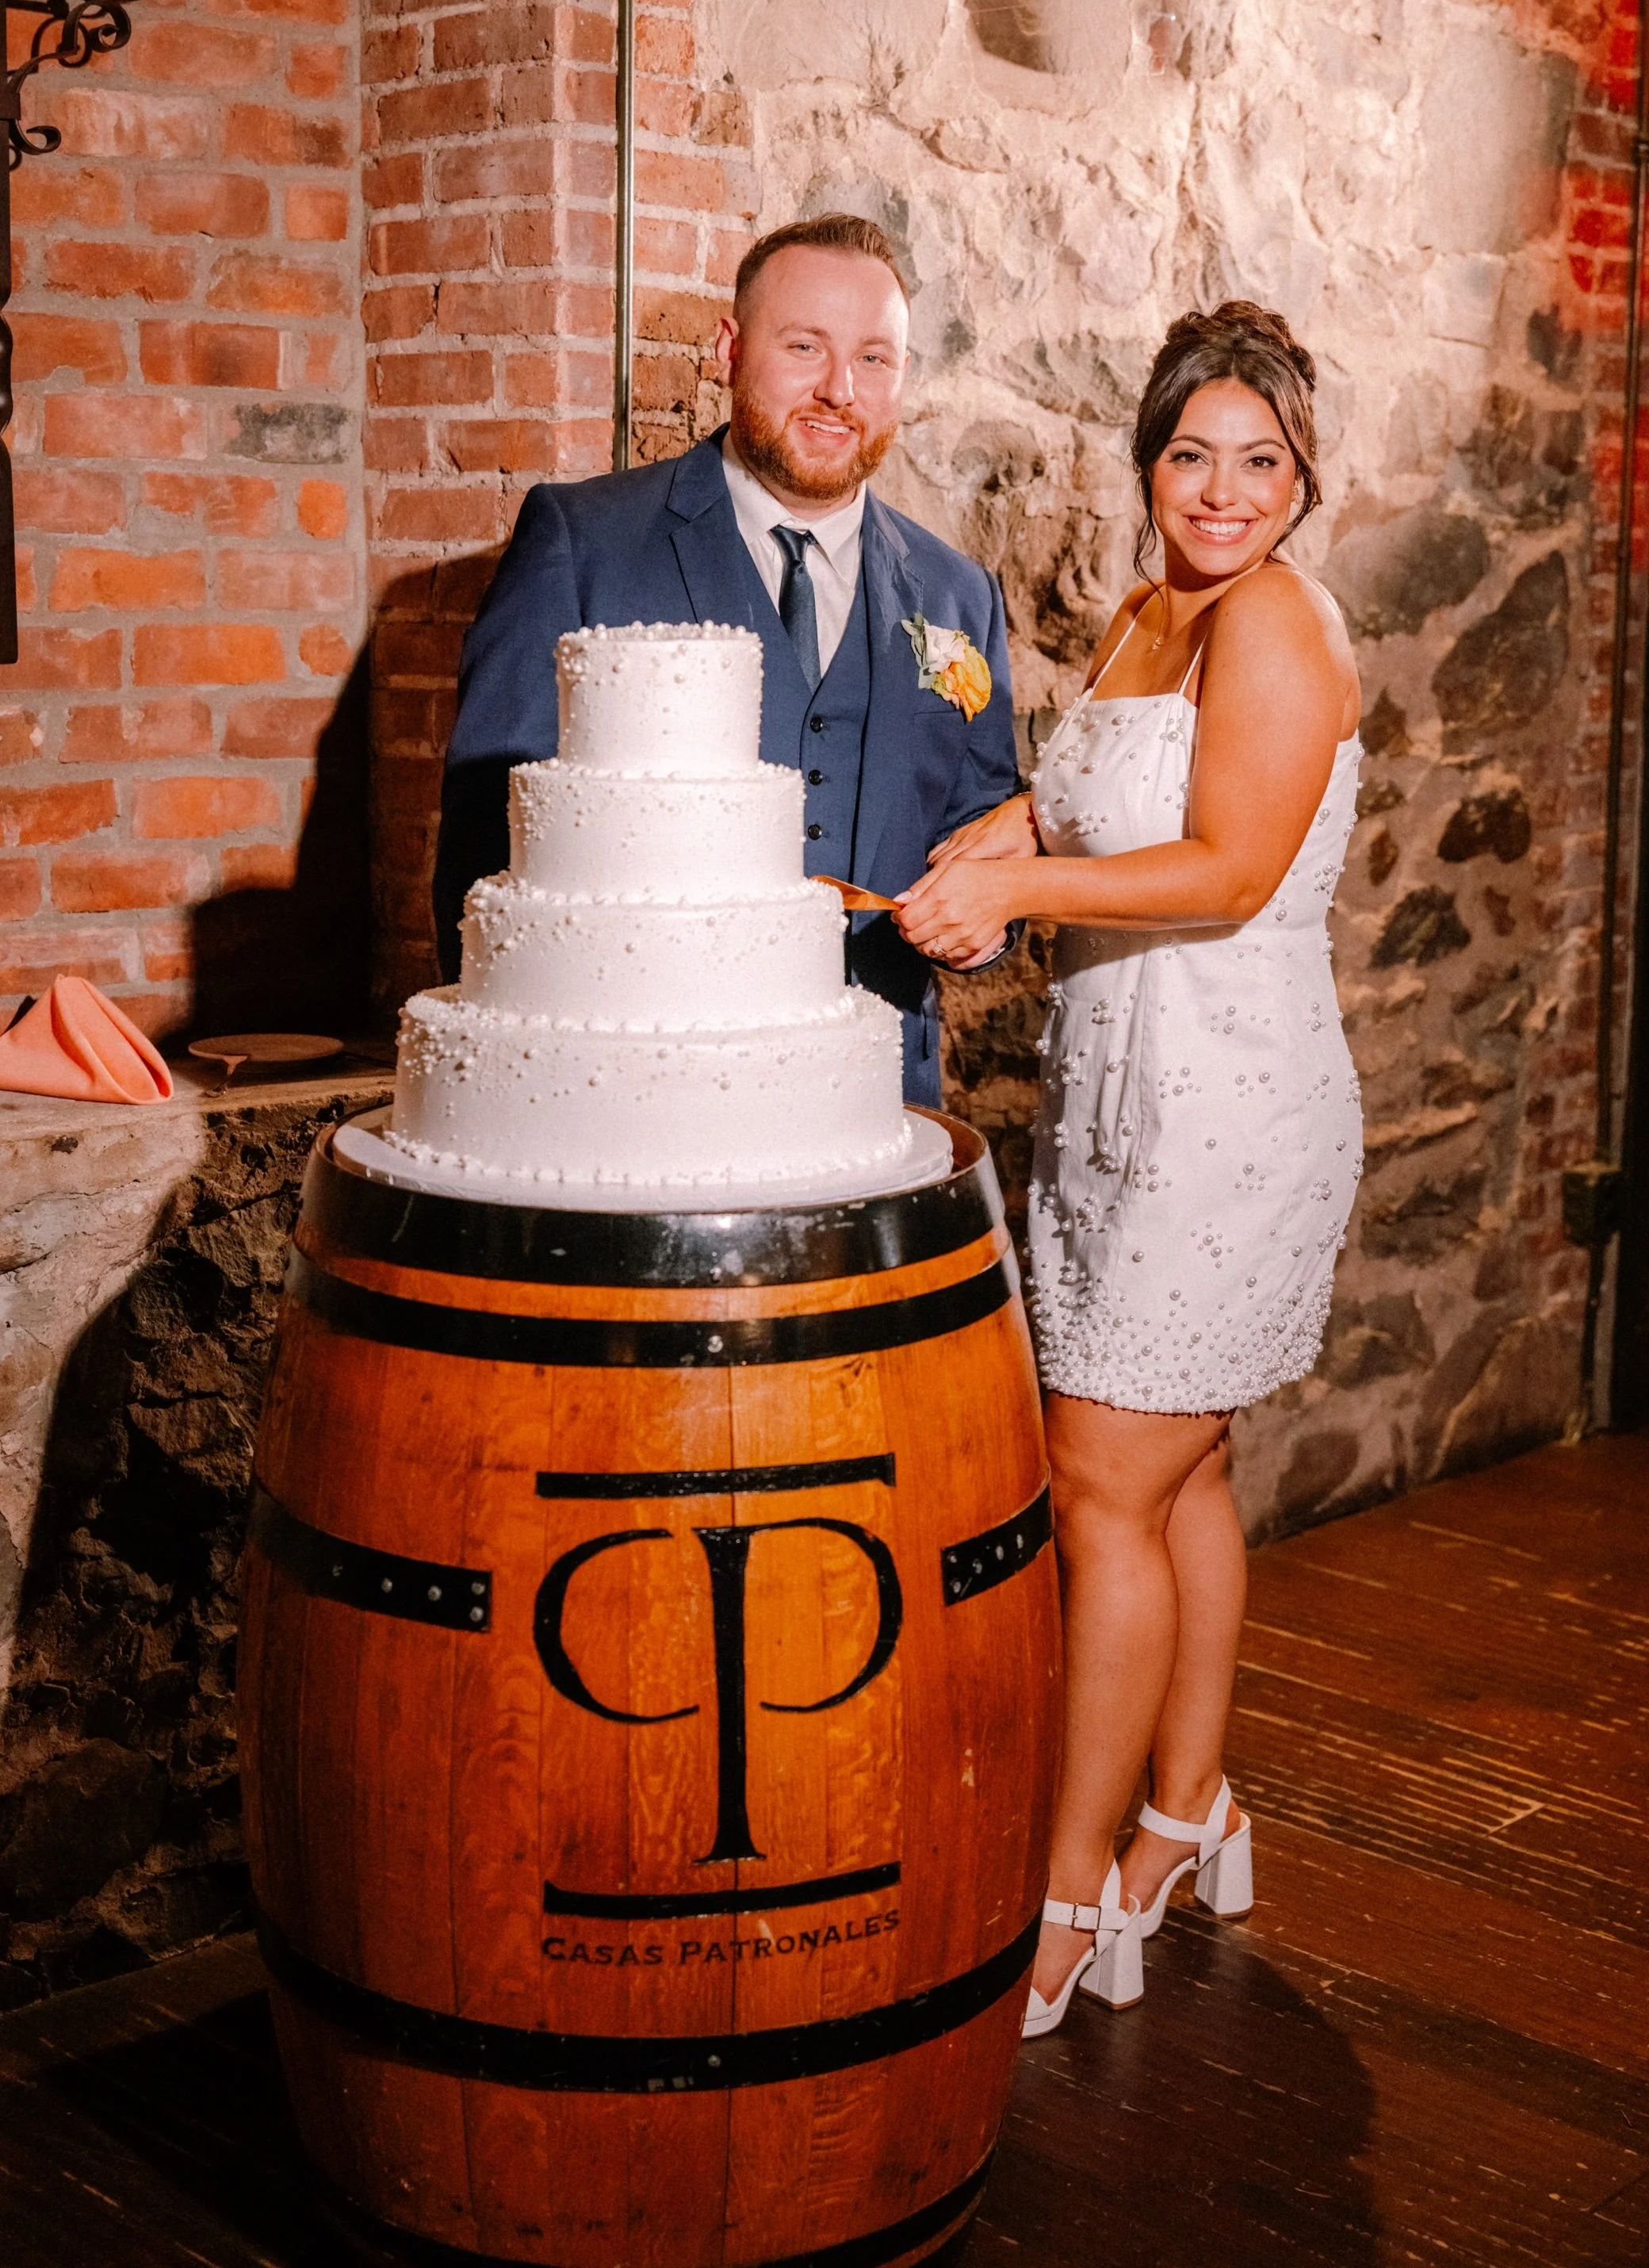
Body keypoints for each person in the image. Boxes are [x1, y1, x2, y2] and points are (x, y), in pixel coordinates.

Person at [895, 301, 1364, 2032]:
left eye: (1259, 461)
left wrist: (1011, 896)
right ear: (1147, 460)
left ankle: (1073, 1887)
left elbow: (1229, 864)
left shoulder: (1274, 624)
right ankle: (1191, 1813)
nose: (1221, 490)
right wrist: (1013, 827)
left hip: (1226, 1116)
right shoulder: (1145, 612)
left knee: (1095, 1496)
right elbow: (1111, 797)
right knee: (1179, 1485)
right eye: (1191, 454)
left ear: (1300, 477)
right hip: (1116, 1109)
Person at [433, 214, 1021, 1105]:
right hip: (634, 1091)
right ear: (727, 351)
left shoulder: (957, 594)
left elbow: (984, 823)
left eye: (873, 359)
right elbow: (489, 840)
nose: (839, 390)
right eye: (803, 347)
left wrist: (989, 920)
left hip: (877, 1094)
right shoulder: (582, 543)